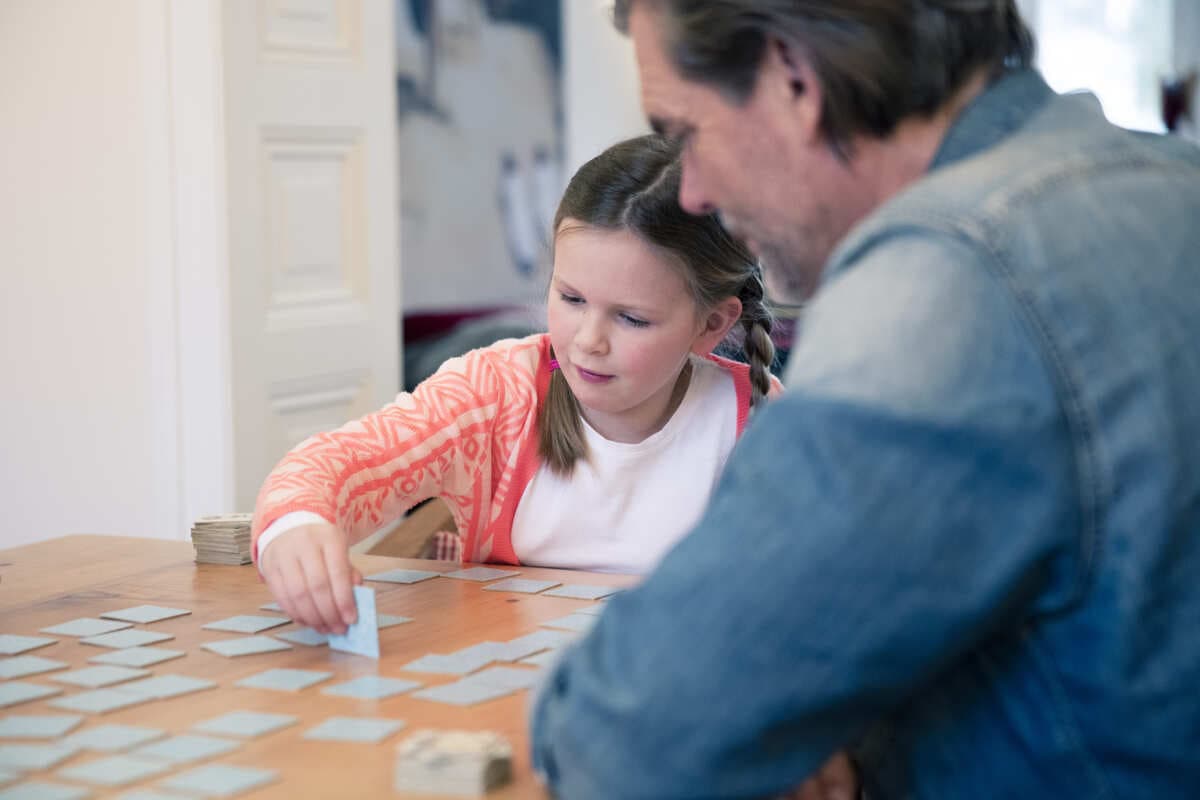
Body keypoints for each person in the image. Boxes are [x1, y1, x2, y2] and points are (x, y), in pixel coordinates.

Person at [530, 1, 1200, 798]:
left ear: (793, 79)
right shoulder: (1169, 183)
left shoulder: (946, 279)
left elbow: (627, 737)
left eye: (685, 135)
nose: (696, 193)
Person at [251, 134, 780, 635]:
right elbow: (343, 460)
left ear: (711, 324)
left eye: (632, 319)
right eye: (571, 299)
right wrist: (294, 527)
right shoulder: (494, 393)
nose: (588, 341)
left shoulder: (760, 419)